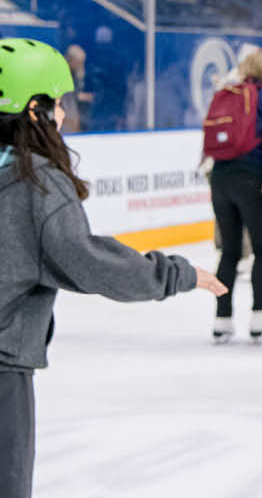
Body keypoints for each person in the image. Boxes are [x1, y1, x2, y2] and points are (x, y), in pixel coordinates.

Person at [0, 38, 228, 498]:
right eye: (58, 104)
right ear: (33, 111)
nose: (63, 115)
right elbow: (90, 261)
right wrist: (175, 274)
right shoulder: (35, 182)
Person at [208, 47, 262, 343]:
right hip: (253, 179)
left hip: (219, 178)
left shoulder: (227, 94)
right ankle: (260, 316)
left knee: (229, 251)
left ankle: (222, 319)